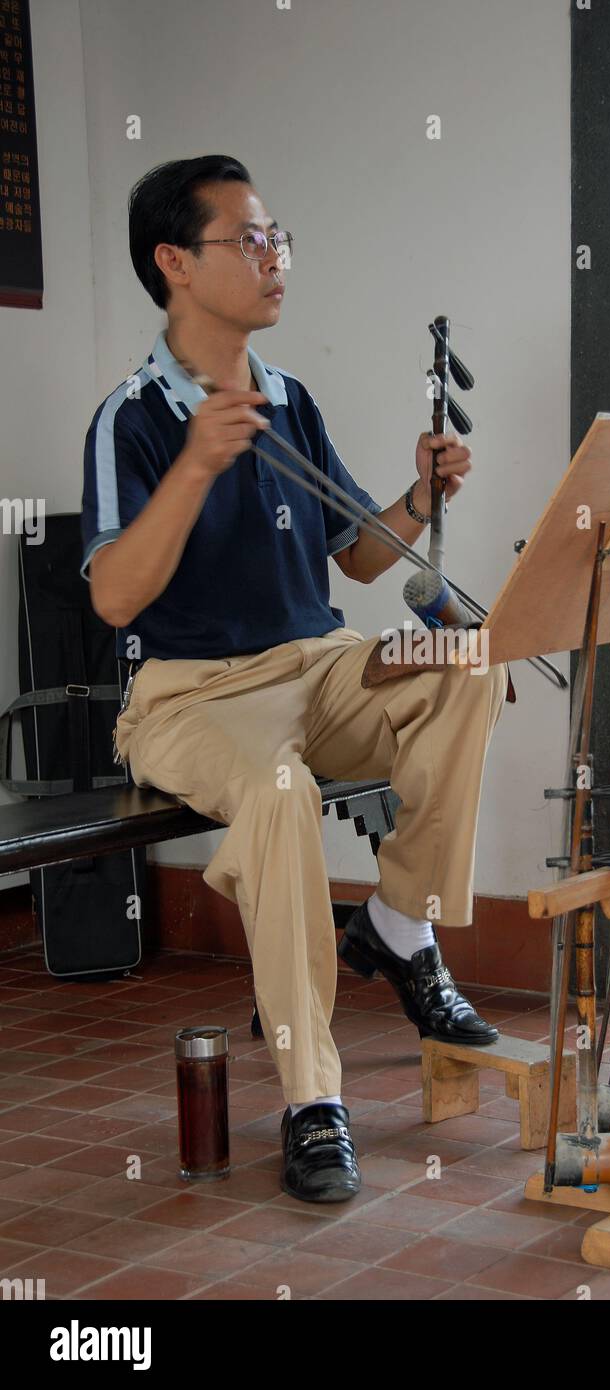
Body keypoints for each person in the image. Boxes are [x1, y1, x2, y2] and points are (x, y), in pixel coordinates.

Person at [80, 155, 508, 1203]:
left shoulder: (290, 399)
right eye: (249, 240)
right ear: (174, 263)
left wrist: (416, 494)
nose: (275, 258)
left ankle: (401, 926)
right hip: (188, 694)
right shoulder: (132, 417)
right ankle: (314, 1101)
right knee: (275, 797)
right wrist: (193, 466)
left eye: (279, 238)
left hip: (314, 666)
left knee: (462, 657)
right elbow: (113, 601)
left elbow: (360, 555)